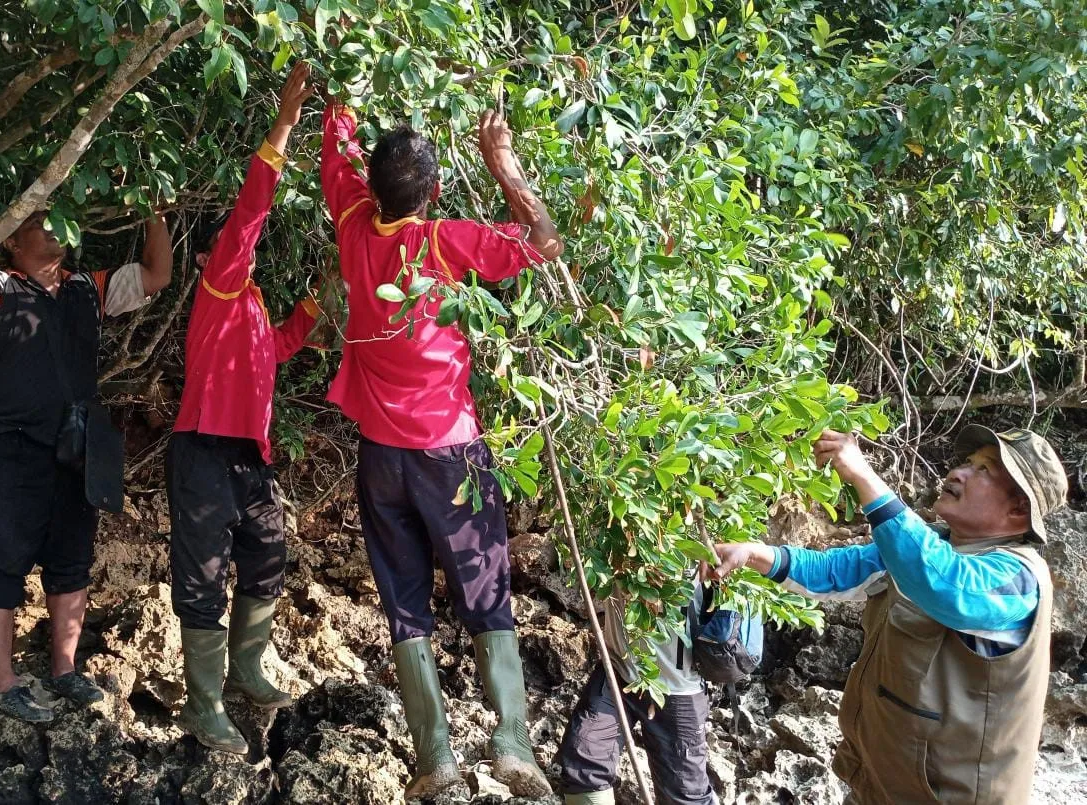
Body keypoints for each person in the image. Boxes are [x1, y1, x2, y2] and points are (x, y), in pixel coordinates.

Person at [320, 94, 563, 799]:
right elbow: (542, 241)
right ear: (434, 191)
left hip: (381, 456)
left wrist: (340, 102)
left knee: (405, 606)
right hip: (450, 452)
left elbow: (335, 157)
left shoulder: (352, 225)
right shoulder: (441, 241)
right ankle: (512, 744)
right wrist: (505, 164)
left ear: (373, 186)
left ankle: (438, 762)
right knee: (486, 593)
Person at [709, 426, 1067, 804]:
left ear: (1017, 510)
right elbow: (837, 570)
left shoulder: (1019, 578)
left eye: (984, 470)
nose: (958, 473)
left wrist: (864, 476)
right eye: (967, 462)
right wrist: (753, 553)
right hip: (879, 781)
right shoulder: (932, 545)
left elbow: (947, 587)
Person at [0, 207, 173, 722]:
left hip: (75, 444)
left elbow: (157, 276)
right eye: (41, 222)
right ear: (13, 240)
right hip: (9, 442)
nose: (56, 227)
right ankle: (1, 684)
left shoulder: (88, 287)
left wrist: (155, 214)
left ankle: (64, 670)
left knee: (72, 558)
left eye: (62, 219)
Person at [166, 62, 321, 755]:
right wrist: (284, 125)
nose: (233, 251)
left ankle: (245, 669)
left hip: (247, 455)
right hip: (202, 445)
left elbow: (279, 347)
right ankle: (203, 704)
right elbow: (251, 214)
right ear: (211, 255)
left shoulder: (249, 305)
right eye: (223, 246)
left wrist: (320, 303)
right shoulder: (220, 285)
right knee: (202, 572)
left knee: (265, 555)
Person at [557, 584, 717, 805]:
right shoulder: (613, 549)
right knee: (583, 761)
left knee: (685, 796)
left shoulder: (708, 553)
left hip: (679, 691)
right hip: (618, 671)